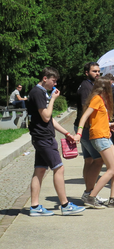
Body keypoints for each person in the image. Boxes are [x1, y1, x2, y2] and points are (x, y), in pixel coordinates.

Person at [26, 68, 86, 216]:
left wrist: (66, 133)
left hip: (41, 136)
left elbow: (49, 119)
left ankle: (34, 207)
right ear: (45, 78)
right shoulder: (38, 93)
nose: (55, 84)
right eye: (54, 80)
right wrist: (52, 99)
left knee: (39, 170)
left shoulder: (40, 92)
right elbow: (46, 117)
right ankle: (65, 205)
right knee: (59, 169)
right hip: (44, 137)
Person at [73, 78, 114, 208]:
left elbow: (97, 120)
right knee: (113, 168)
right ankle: (91, 197)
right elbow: (85, 116)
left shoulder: (101, 100)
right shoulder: (97, 98)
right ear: (105, 89)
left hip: (104, 135)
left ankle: (113, 199)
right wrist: (79, 133)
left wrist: (109, 125)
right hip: (99, 137)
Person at [75, 62, 105, 205]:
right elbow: (86, 108)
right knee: (99, 159)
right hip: (86, 128)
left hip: (82, 127)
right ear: (86, 72)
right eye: (94, 71)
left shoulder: (86, 85)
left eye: (99, 71)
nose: (97, 74)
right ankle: (89, 193)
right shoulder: (87, 87)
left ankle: (88, 191)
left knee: (89, 160)